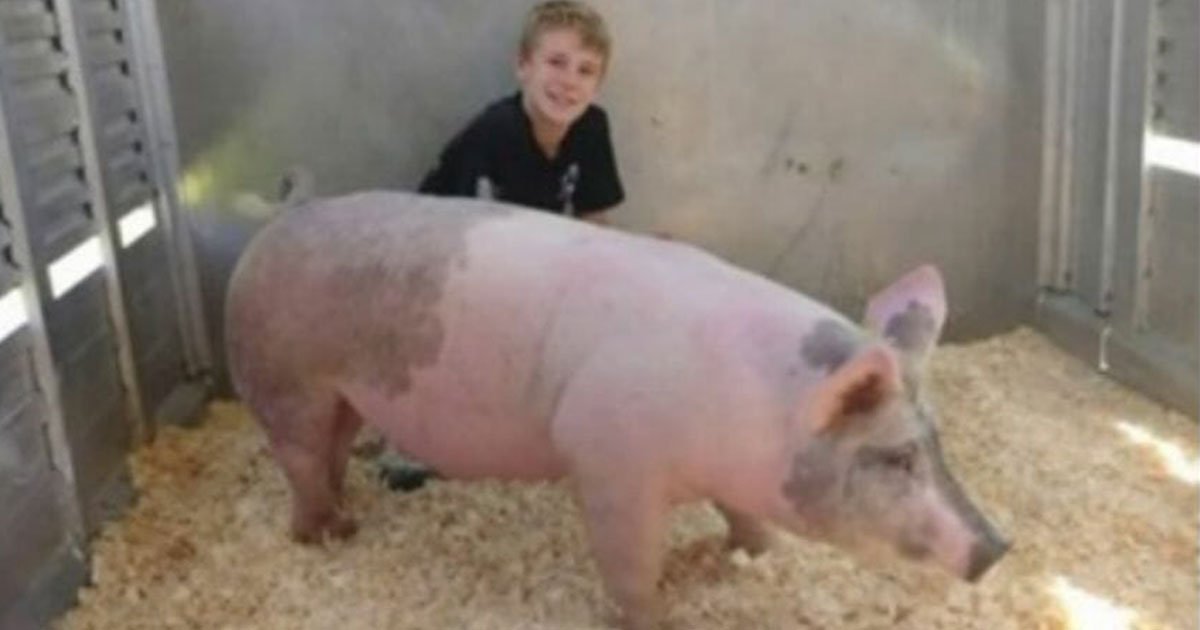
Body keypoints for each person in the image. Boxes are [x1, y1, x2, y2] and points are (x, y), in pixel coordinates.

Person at [418, 0, 623, 224]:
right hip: (445, 236)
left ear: (597, 86)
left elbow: (593, 218)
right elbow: (470, 230)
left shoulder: (591, 127)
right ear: (523, 65)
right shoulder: (497, 131)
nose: (569, 81)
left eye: (585, 70)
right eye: (556, 62)